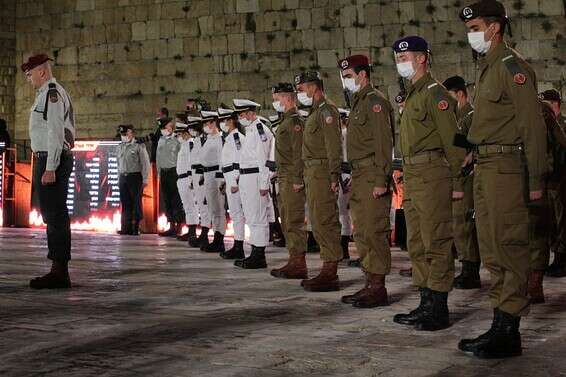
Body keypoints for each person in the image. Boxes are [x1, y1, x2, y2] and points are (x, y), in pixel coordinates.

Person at [458, 0, 547, 359]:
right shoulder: (488, 67)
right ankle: (500, 321)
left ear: (494, 28)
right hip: (487, 166)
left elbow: (532, 125)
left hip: (508, 168)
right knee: (492, 246)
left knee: (508, 245)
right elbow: (490, 123)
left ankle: (509, 330)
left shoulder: (512, 67)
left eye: (475, 27)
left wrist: (537, 177)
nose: (471, 35)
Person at [391, 36, 466, 331]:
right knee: (417, 242)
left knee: (436, 240)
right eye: (397, 59)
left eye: (405, 57)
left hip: (433, 172)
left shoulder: (436, 94)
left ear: (422, 58)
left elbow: (454, 140)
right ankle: (425, 300)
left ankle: (439, 307)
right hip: (412, 174)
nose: (401, 63)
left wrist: (458, 178)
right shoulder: (412, 94)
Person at [337, 55, 394, 308]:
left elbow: (384, 143)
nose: (345, 81)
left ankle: (378, 287)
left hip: (372, 173)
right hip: (360, 174)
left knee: (374, 231)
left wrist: (382, 179)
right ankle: (369, 282)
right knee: (361, 232)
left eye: (348, 76)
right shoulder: (359, 103)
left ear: (362, 75)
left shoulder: (375, 102)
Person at [23, 54, 75, 289]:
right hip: (46, 158)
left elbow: (56, 132)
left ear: (42, 72)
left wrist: (51, 167)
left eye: (30, 73)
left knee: (55, 215)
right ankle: (57, 268)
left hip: (52, 159)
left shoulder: (52, 94)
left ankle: (59, 271)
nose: (28, 78)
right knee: (51, 215)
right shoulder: (45, 94)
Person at [295, 71, 343, 292]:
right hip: (312, 172)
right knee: (317, 219)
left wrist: (334, 175)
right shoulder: (314, 112)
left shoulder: (326, 111)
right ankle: (327, 265)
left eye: (301, 88)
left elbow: (333, 146)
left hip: (322, 172)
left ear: (313, 87)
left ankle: (330, 270)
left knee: (325, 219)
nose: (299, 93)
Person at [443, 75, 481, 290]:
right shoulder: (456, 117)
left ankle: (470, 270)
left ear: (459, 95)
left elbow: (477, 143)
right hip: (456, 175)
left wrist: (472, 158)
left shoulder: (471, 116)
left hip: (467, 176)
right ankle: (466, 266)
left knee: (464, 223)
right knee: (458, 223)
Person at [269, 83, 308, 279]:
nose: (275, 102)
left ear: (288, 98)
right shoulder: (286, 120)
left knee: (294, 220)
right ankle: (293, 259)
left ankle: (299, 263)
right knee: (287, 219)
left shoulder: (294, 121)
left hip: (292, 177)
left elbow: (299, 152)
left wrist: (297, 178)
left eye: (277, 99)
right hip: (284, 175)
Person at [232, 98, 274, 269]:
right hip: (246, 178)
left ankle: (259, 255)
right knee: (251, 216)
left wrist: (264, 184)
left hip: (255, 178)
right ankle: (254, 251)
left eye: (242, 114)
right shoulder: (250, 130)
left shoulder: (259, 130)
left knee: (258, 217)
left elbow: (264, 159)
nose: (240, 118)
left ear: (250, 113)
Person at [542, 89, 566, 277]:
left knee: (562, 220)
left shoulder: (563, 124)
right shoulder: (546, 125)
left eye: (547, 104)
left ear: (555, 104)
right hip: (549, 180)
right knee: (551, 221)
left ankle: (562, 259)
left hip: (562, 180)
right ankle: (556, 257)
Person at [218, 106, 246, 259]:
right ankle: (237, 244)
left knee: (237, 214)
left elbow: (239, 160)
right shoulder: (229, 138)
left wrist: (234, 182)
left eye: (224, 120)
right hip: (229, 179)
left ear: (231, 121)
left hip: (235, 180)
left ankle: (239, 246)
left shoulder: (236, 138)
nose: (222, 123)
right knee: (235, 214)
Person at [200, 110, 226, 254]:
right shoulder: (209, 138)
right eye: (205, 123)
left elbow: (222, 159)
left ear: (214, 123)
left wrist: (222, 180)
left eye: (208, 123)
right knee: (212, 208)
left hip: (216, 175)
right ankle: (216, 237)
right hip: (208, 174)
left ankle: (219, 239)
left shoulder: (219, 139)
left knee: (219, 208)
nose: (206, 125)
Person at [117, 124, 150, 236]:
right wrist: (119, 177)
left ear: (131, 133)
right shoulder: (120, 146)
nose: (124, 136)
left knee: (136, 202)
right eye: (122, 134)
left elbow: (145, 163)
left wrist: (145, 179)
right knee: (125, 203)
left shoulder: (138, 146)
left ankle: (135, 227)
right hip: (123, 177)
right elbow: (119, 164)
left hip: (134, 177)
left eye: (126, 134)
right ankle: (125, 227)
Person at [156, 118, 185, 237]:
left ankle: (179, 226)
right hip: (164, 172)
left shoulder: (178, 140)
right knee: (167, 200)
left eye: (167, 126)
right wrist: (159, 173)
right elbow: (158, 158)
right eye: (163, 128)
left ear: (172, 127)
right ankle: (171, 224)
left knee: (176, 200)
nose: (165, 129)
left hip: (174, 172)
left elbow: (182, 157)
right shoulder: (161, 140)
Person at [174, 119, 199, 244]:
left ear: (185, 133)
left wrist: (191, 179)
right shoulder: (184, 145)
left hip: (186, 178)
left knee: (191, 206)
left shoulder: (190, 144)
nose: (178, 136)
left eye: (179, 134)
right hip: (181, 178)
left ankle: (193, 232)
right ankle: (191, 230)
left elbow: (190, 163)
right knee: (187, 206)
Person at [337, 108, 354, 262]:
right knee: (345, 212)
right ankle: (344, 247)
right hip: (347, 174)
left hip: (345, 174)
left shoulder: (344, 134)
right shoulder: (348, 134)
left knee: (343, 212)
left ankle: (343, 247)